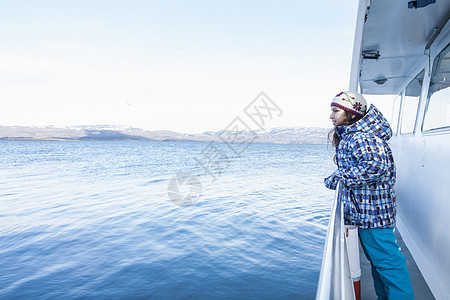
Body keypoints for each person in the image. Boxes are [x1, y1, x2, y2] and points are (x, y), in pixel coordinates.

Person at [324, 91, 414, 299]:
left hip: (373, 213)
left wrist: (340, 176)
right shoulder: (354, 134)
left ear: (352, 114)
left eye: (335, 110)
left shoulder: (362, 137)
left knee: (389, 265)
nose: (331, 115)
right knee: (380, 264)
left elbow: (375, 167)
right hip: (367, 212)